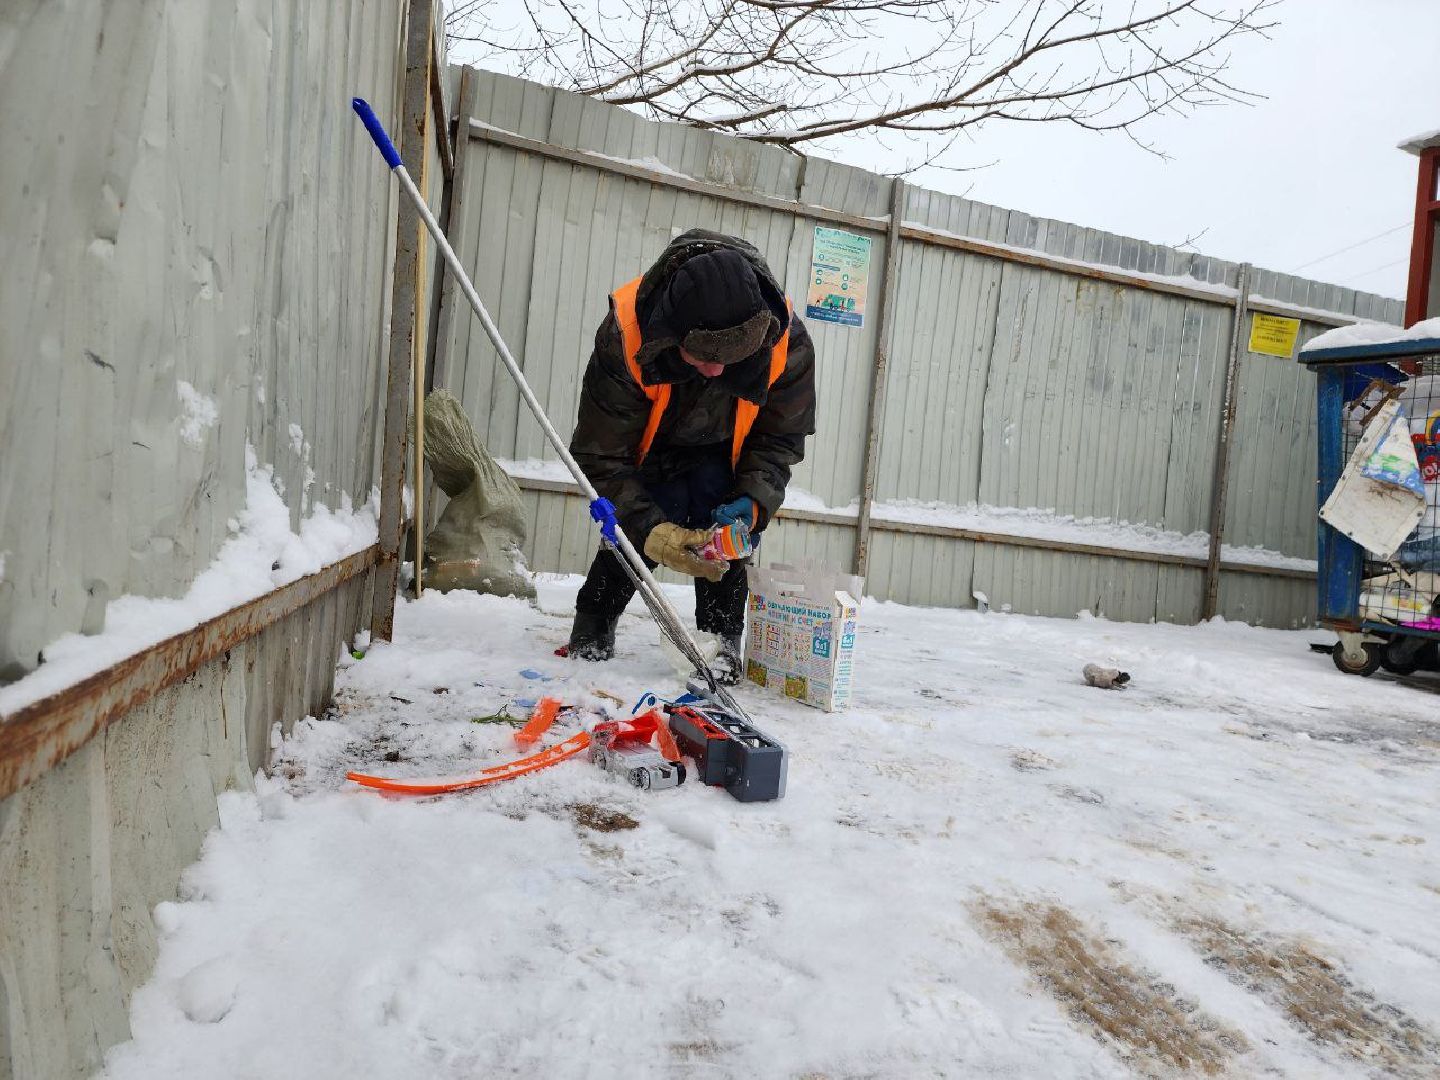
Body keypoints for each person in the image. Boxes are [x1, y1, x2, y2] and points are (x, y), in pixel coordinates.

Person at [567, 229, 817, 682]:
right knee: (638, 521)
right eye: (703, 355)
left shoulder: (785, 342)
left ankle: (720, 643)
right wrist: (652, 530)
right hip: (649, 446)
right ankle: (594, 622)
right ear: (670, 334)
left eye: (733, 357)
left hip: (726, 455)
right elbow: (601, 457)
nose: (718, 370)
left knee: (721, 528)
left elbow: (781, 437)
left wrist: (755, 499)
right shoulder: (627, 334)